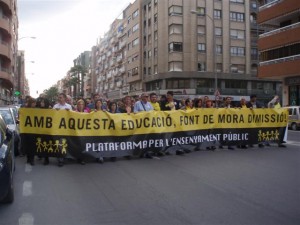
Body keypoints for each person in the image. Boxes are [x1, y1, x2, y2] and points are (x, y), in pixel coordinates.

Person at [160, 91, 185, 155]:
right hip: (167, 122)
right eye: (167, 95)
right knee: (167, 136)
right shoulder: (163, 102)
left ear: (172, 96)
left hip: (175, 121)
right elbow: (162, 110)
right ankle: (165, 149)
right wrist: (169, 106)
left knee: (176, 135)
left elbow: (179, 109)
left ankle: (178, 148)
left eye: (169, 95)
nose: (167, 97)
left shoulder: (177, 101)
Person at [53, 93, 73, 167]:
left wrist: (69, 112)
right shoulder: (55, 106)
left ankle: (65, 156)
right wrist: (55, 112)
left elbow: (72, 117)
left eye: (61, 97)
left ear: (64, 98)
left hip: (66, 128)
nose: (59, 99)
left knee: (66, 142)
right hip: (58, 128)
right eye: (59, 97)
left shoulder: (69, 106)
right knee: (60, 142)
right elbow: (52, 117)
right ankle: (60, 159)